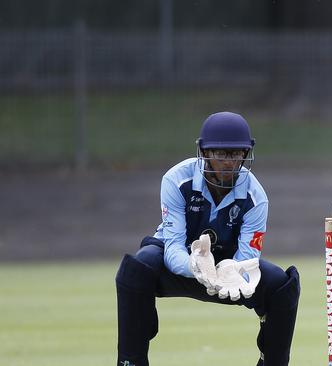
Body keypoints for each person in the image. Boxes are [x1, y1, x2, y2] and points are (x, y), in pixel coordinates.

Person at [116, 111, 300, 366]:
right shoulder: (176, 179)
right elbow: (172, 246)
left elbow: (248, 258)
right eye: (221, 154)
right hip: (179, 261)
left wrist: (230, 272)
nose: (229, 162)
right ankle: (130, 362)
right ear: (204, 152)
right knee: (137, 267)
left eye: (236, 154)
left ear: (246, 154)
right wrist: (195, 266)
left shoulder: (256, 197)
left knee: (281, 284)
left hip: (227, 268)